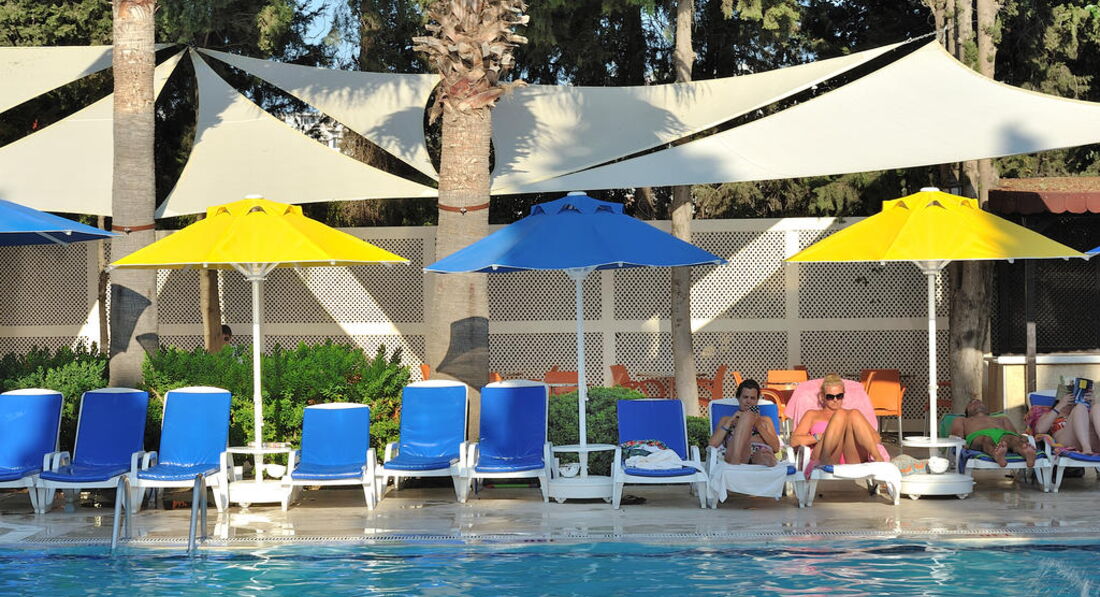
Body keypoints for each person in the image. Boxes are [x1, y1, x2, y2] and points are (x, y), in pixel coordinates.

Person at [790, 373, 883, 475]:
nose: (835, 400)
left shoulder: (851, 415)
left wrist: (857, 436)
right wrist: (821, 437)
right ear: (822, 397)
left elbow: (876, 438)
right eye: (830, 397)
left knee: (853, 413)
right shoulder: (812, 415)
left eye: (839, 396)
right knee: (840, 414)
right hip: (823, 457)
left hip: (851, 458)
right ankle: (824, 462)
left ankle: (879, 460)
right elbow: (794, 441)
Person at [708, 379, 780, 466]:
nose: (748, 401)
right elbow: (712, 444)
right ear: (738, 398)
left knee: (767, 458)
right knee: (748, 415)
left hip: (758, 454)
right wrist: (730, 422)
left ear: (757, 400)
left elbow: (776, 448)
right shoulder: (726, 419)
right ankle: (736, 459)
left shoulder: (765, 421)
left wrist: (758, 425)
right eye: (745, 397)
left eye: (752, 398)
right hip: (736, 455)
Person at [949, 399, 1036, 467]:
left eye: (980, 402)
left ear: (987, 410)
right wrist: (963, 444)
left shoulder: (1002, 418)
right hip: (978, 435)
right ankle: (996, 453)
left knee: (1011, 438)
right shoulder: (962, 420)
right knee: (986, 440)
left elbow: (1013, 433)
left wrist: (1020, 439)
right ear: (967, 412)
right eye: (972, 403)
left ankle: (1025, 451)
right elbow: (957, 436)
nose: (977, 404)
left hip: (1002, 434)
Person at [1030, 385, 1099, 453]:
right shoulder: (1050, 414)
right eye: (1069, 397)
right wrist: (1060, 405)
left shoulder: (1084, 412)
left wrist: (1092, 403)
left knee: (1097, 407)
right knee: (1080, 407)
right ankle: (1086, 449)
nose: (1071, 400)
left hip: (1093, 441)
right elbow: (1039, 430)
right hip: (1067, 440)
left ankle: (1087, 448)